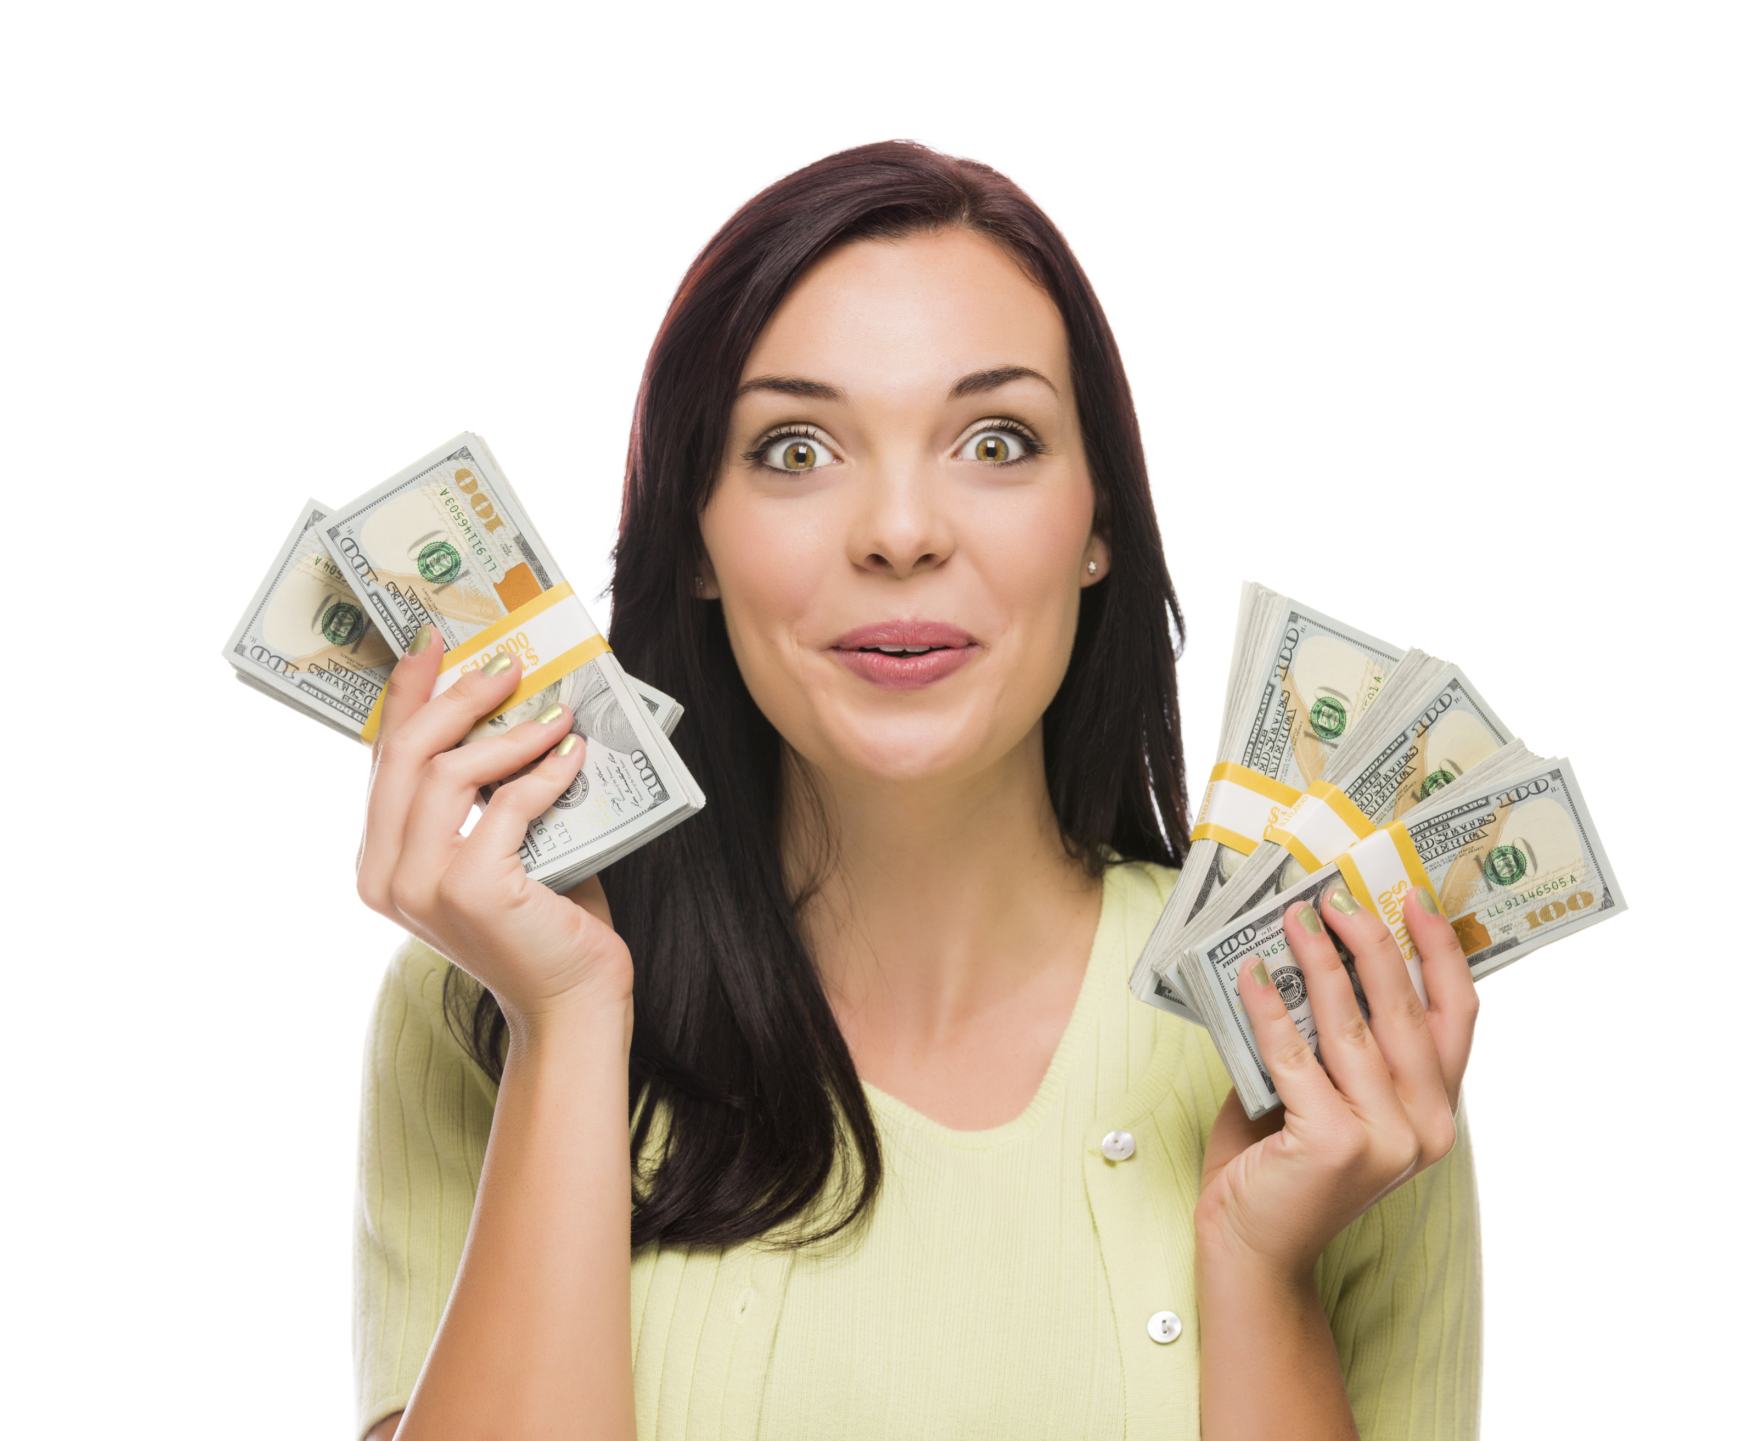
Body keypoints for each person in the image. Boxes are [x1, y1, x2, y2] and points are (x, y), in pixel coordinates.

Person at [352, 141, 1481, 1441]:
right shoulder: (486, 1006)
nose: (900, 530)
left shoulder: (1334, 1038)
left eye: (995, 440)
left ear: (1098, 520)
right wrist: (564, 1015)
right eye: (793, 448)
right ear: (699, 540)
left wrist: (1260, 1263)